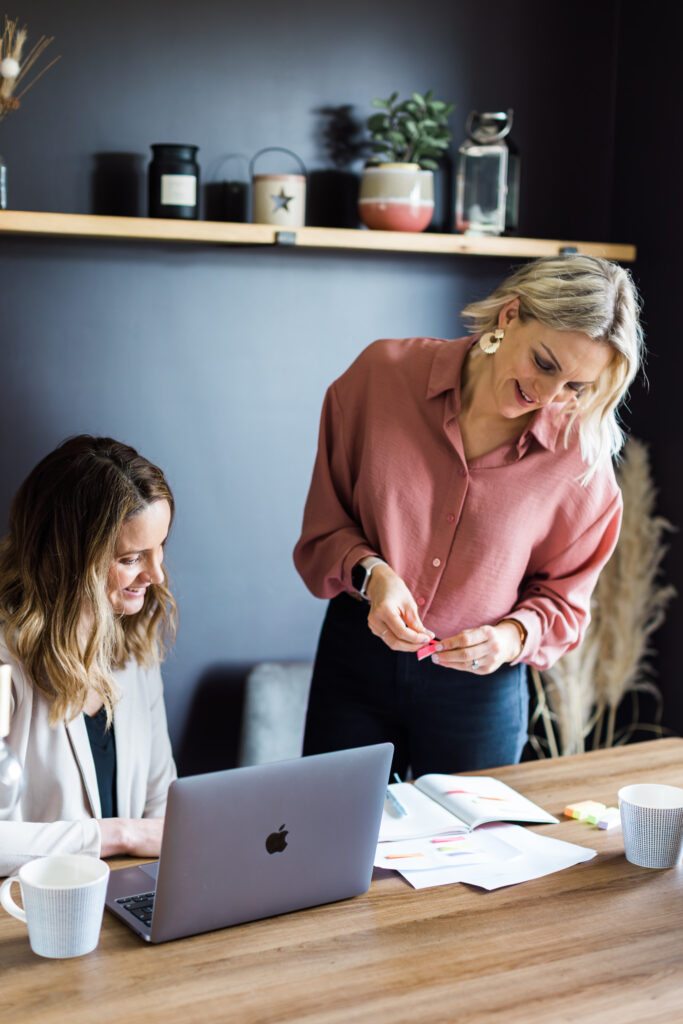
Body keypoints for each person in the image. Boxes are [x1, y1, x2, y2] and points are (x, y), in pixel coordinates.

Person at [293, 254, 644, 778]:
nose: (548, 398)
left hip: (480, 692)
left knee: (476, 857)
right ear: (509, 316)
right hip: (356, 663)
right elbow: (325, 529)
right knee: (326, 842)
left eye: (576, 387)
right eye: (545, 363)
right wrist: (376, 575)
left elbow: (563, 604)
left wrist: (509, 638)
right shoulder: (381, 378)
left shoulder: (581, 462)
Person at [0, 435, 177, 875]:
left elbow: (163, 807)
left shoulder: (136, 648)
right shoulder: (6, 663)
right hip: (34, 915)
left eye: (161, 548)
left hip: (124, 899)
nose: (156, 575)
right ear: (68, 558)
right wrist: (118, 834)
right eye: (132, 557)